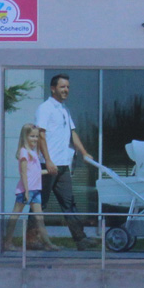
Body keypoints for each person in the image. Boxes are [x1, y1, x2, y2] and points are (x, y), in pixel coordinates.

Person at [35, 74, 96, 250]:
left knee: (69, 203)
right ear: (53, 88)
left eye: (68, 87)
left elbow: (73, 133)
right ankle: (33, 239)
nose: (66, 90)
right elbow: (41, 134)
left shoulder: (64, 109)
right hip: (47, 165)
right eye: (62, 87)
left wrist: (84, 153)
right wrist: (48, 160)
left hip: (63, 165)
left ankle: (80, 239)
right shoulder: (45, 108)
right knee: (40, 204)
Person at [4, 123, 54, 251]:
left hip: (36, 190)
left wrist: (49, 171)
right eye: (32, 136)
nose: (35, 139)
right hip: (25, 190)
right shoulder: (24, 152)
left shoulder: (33, 152)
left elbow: (35, 172)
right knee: (15, 216)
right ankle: (7, 242)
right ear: (25, 137)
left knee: (40, 219)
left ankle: (47, 243)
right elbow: (23, 172)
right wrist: (26, 191)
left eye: (36, 137)